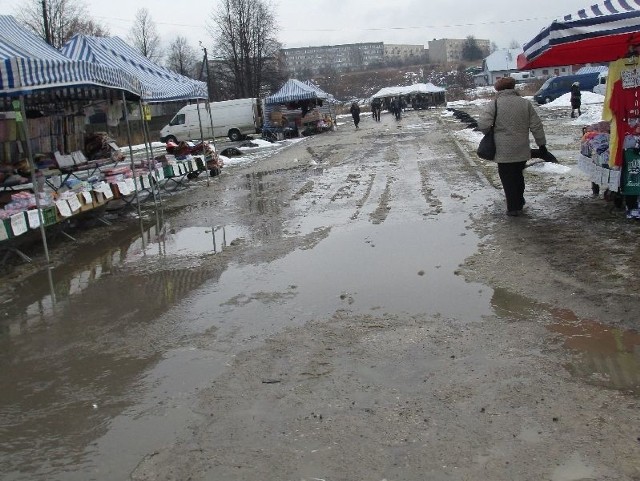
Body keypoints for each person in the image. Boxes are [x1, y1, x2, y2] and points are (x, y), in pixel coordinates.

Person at [478, 76, 547, 217]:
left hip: (503, 150)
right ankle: (519, 201)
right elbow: (536, 126)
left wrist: (490, 131)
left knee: (507, 178)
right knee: (518, 175)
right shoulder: (525, 104)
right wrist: (541, 144)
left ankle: (513, 208)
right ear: (513, 87)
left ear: (498, 89)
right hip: (521, 148)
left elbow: (483, 125)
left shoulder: (494, 104)